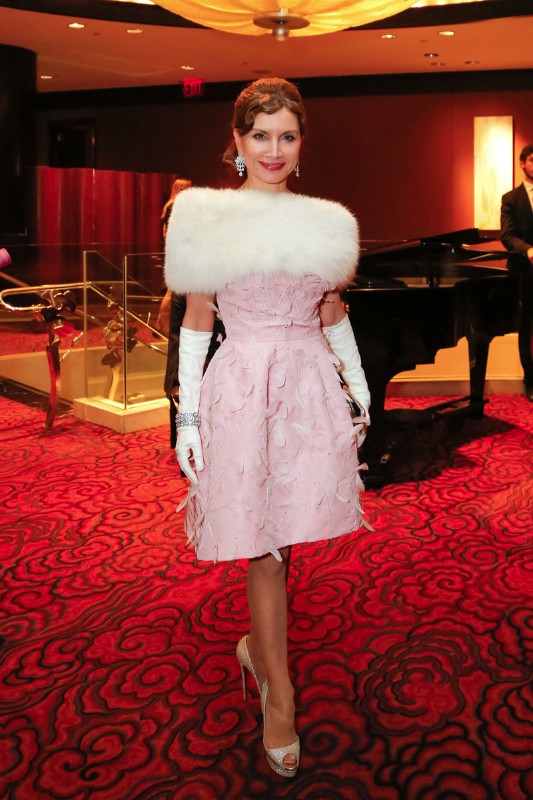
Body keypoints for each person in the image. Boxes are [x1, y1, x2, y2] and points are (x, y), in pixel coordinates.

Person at [164, 78, 370, 778]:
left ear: (302, 142)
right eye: (260, 135)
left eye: (286, 136)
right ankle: (279, 695)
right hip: (242, 390)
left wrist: (358, 390)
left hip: (307, 391)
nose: (273, 150)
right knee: (264, 547)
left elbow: (331, 312)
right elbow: (197, 322)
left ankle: (258, 647)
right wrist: (188, 416)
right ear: (237, 141)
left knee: (290, 532)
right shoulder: (205, 217)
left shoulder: (328, 223)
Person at [501, 144, 533, 401]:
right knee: (527, 327)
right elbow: (507, 236)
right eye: (532, 160)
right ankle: (530, 380)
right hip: (525, 272)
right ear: (522, 163)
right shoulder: (511, 198)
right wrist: (528, 250)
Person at [155, 178, 193, 336]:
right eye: (187, 188)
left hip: (176, 250)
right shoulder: (174, 205)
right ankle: (161, 324)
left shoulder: (174, 205)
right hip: (177, 251)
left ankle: (161, 323)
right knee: (172, 291)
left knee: (174, 291)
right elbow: (169, 231)